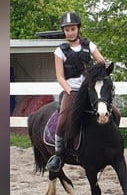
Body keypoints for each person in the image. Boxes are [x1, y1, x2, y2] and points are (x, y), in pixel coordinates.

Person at [46, 11, 121, 172]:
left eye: (72, 29)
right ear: (64, 31)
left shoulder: (89, 46)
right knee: (62, 122)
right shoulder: (60, 51)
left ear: (78, 29)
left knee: (116, 114)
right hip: (71, 91)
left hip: (89, 89)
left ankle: (112, 144)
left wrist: (103, 66)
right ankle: (58, 155)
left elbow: (101, 61)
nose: (70, 32)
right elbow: (59, 76)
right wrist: (68, 90)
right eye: (67, 30)